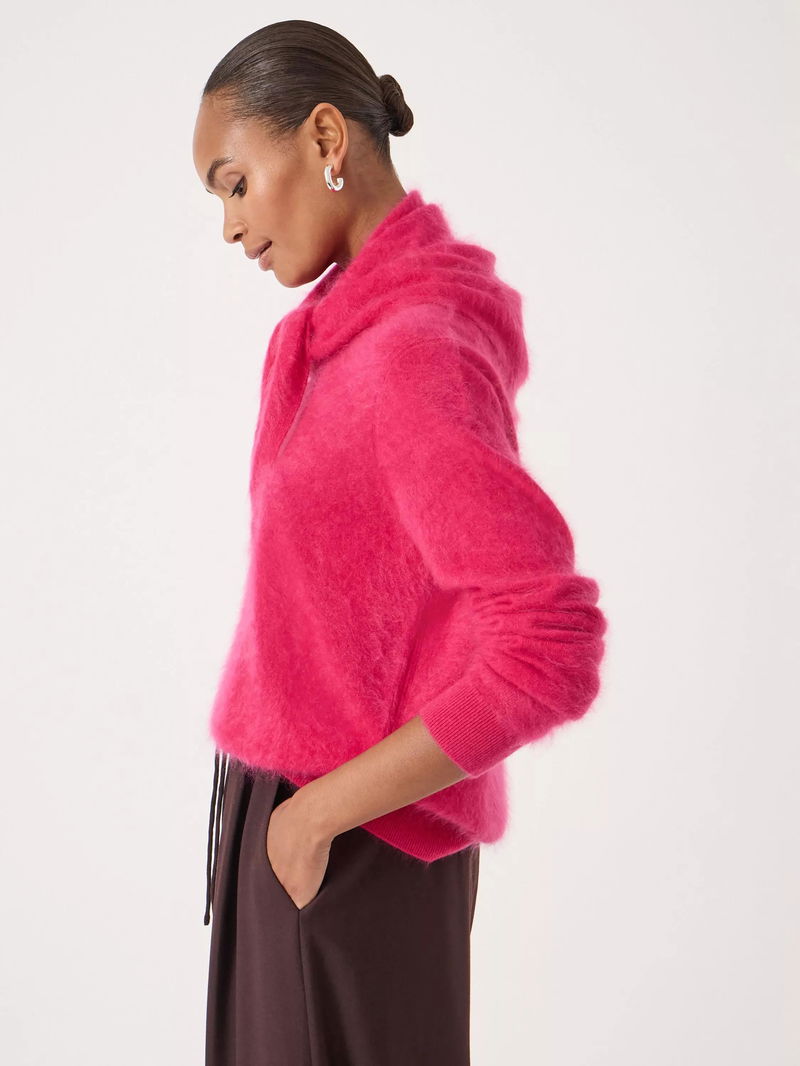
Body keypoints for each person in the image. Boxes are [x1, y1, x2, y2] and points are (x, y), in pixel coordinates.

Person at [192, 18, 608, 1066]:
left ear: (326, 137)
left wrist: (315, 817)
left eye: (235, 183)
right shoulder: (333, 342)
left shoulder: (411, 353)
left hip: (349, 851)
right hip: (298, 834)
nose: (230, 226)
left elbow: (548, 647)